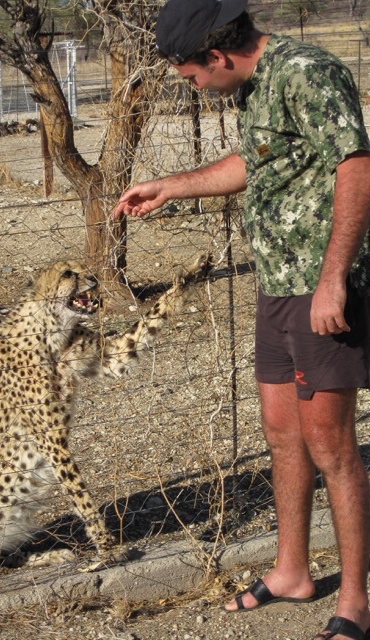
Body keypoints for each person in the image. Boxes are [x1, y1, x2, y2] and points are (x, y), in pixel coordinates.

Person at [113, 1, 370, 639]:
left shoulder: (308, 71)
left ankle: (356, 603)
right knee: (283, 434)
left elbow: (357, 167)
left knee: (331, 447)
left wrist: (333, 277)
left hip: (321, 291)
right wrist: (170, 185)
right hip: (277, 288)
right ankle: (292, 572)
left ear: (217, 55)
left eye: (191, 74)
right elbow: (255, 165)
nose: (192, 85)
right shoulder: (255, 87)